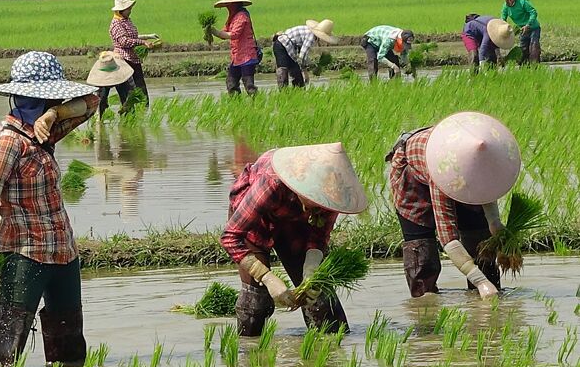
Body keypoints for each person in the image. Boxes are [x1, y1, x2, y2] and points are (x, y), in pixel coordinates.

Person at [0, 51, 99, 367]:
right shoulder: (7, 144)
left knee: (70, 351)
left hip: (63, 252)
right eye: (48, 101)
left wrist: (52, 116)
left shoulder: (43, 132)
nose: (50, 105)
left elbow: (93, 99)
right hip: (25, 256)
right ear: (28, 97)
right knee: (6, 352)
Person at [220, 142, 367, 336]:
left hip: (295, 222)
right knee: (255, 302)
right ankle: (249, 353)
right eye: (316, 199)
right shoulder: (271, 182)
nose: (321, 205)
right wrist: (267, 277)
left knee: (319, 298)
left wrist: (311, 268)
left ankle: (330, 354)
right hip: (256, 221)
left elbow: (319, 235)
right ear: (303, 185)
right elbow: (230, 237)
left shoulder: (334, 191)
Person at [386, 112, 521, 300]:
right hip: (414, 180)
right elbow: (448, 239)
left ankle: (487, 292)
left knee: (480, 241)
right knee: (422, 253)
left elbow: (486, 188)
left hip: (459, 166)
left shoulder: (487, 154)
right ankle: (425, 307)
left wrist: (495, 223)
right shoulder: (441, 172)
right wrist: (481, 283)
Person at [110, 0, 159, 110]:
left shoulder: (127, 20)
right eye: (128, 8)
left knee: (141, 90)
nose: (130, 10)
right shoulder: (116, 24)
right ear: (121, 10)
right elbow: (124, 41)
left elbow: (133, 36)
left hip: (134, 59)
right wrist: (142, 43)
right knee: (130, 91)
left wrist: (148, 37)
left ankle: (143, 114)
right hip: (123, 60)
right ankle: (129, 114)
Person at [210, 0, 259, 96]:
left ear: (235, 4)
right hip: (236, 57)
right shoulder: (232, 17)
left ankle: (257, 104)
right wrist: (210, 31)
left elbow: (234, 34)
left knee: (249, 85)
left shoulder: (242, 16)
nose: (227, 6)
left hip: (247, 56)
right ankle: (236, 105)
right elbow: (225, 33)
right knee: (231, 83)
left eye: (229, 4)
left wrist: (216, 32)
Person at [272, 19, 338, 89]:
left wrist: (308, 65)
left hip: (289, 48)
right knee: (283, 71)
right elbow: (302, 56)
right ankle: (283, 94)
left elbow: (302, 52)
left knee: (296, 72)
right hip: (281, 45)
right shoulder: (311, 37)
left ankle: (298, 93)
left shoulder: (311, 34)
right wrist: (305, 72)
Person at [87, 51, 135, 117]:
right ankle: (101, 116)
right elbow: (95, 99)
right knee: (101, 100)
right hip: (102, 80)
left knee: (127, 102)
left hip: (120, 77)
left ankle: (128, 117)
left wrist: (127, 106)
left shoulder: (124, 75)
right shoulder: (99, 77)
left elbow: (131, 92)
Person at [501, 0, 541, 64]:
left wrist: (528, 24)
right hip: (522, 30)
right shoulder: (505, 7)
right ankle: (524, 67)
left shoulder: (523, 2)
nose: (510, 0)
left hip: (533, 27)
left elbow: (533, 12)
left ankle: (535, 66)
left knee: (533, 46)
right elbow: (503, 20)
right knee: (523, 50)